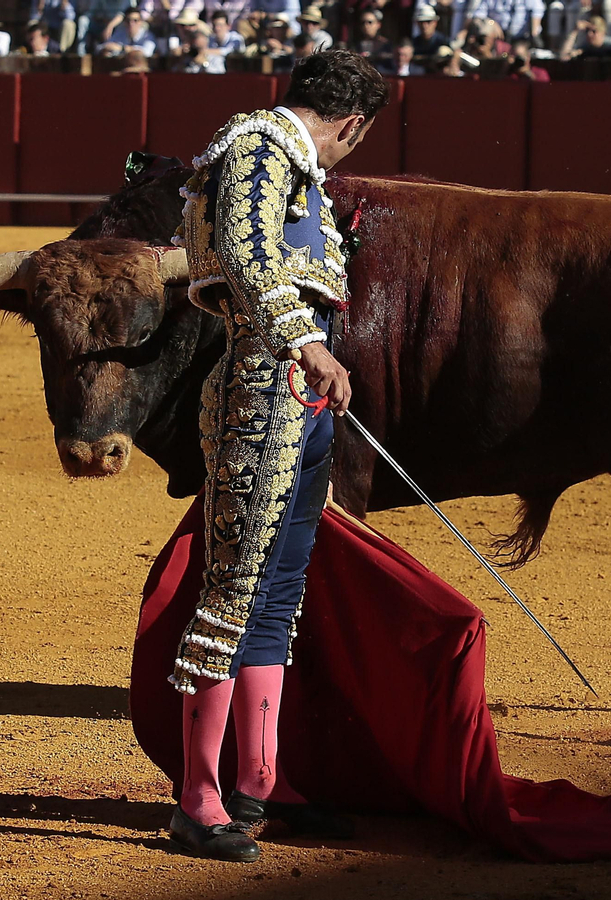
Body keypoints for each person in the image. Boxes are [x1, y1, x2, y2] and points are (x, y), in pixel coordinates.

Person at [167, 48, 389, 863]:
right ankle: (197, 801)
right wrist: (307, 344)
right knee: (234, 590)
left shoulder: (289, 165)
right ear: (350, 124)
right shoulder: (260, 144)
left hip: (299, 398)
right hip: (265, 387)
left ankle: (261, 784)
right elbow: (251, 256)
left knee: (279, 589)